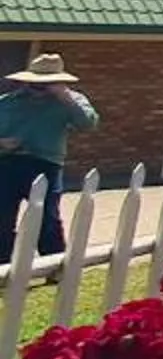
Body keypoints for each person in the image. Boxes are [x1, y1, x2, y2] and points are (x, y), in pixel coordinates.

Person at [0, 54, 99, 261]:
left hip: (45, 165)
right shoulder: (7, 102)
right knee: (2, 216)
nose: (38, 89)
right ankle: (3, 263)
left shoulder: (71, 101)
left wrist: (65, 98)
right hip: (8, 162)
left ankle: (54, 263)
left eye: (45, 84)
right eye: (34, 83)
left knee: (47, 217)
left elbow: (88, 124)